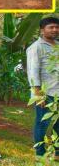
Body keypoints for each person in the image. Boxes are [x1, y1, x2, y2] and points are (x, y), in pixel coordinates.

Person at [26, 16, 59, 156]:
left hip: (58, 92)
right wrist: (38, 94)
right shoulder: (36, 48)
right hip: (45, 93)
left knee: (58, 123)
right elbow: (33, 71)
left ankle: (57, 151)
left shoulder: (57, 45)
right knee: (42, 123)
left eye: (57, 27)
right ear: (42, 30)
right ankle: (40, 153)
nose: (55, 30)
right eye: (51, 27)